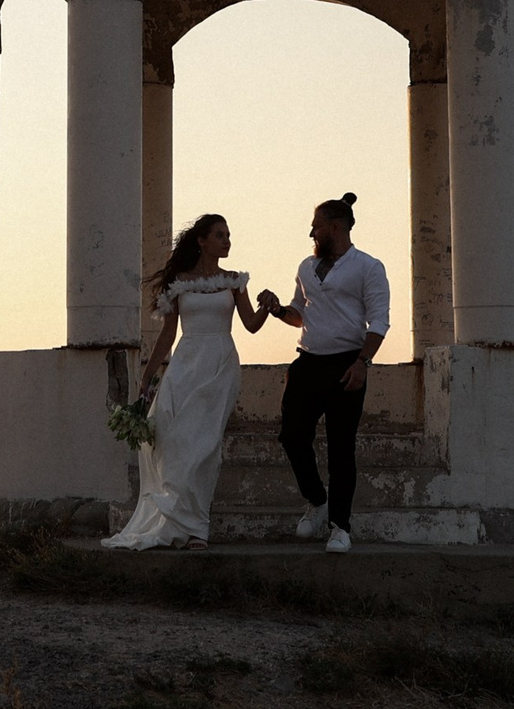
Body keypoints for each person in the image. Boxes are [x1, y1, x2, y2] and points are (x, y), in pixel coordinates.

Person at [102, 213, 269, 550]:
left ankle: (199, 528)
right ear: (202, 240)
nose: (227, 241)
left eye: (228, 235)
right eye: (220, 235)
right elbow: (167, 334)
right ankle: (178, 519)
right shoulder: (179, 282)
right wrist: (148, 376)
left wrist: (268, 307)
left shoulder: (235, 281)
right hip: (185, 363)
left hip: (220, 362)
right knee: (173, 440)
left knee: (205, 445)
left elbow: (251, 324)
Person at [257, 193, 389, 553]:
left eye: (316, 227)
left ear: (335, 226)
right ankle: (317, 500)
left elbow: (379, 320)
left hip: (348, 362)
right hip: (308, 361)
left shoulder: (368, 267)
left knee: (341, 448)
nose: (311, 233)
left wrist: (363, 361)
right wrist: (277, 309)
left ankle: (340, 527)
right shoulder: (305, 267)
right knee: (291, 435)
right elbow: (299, 313)